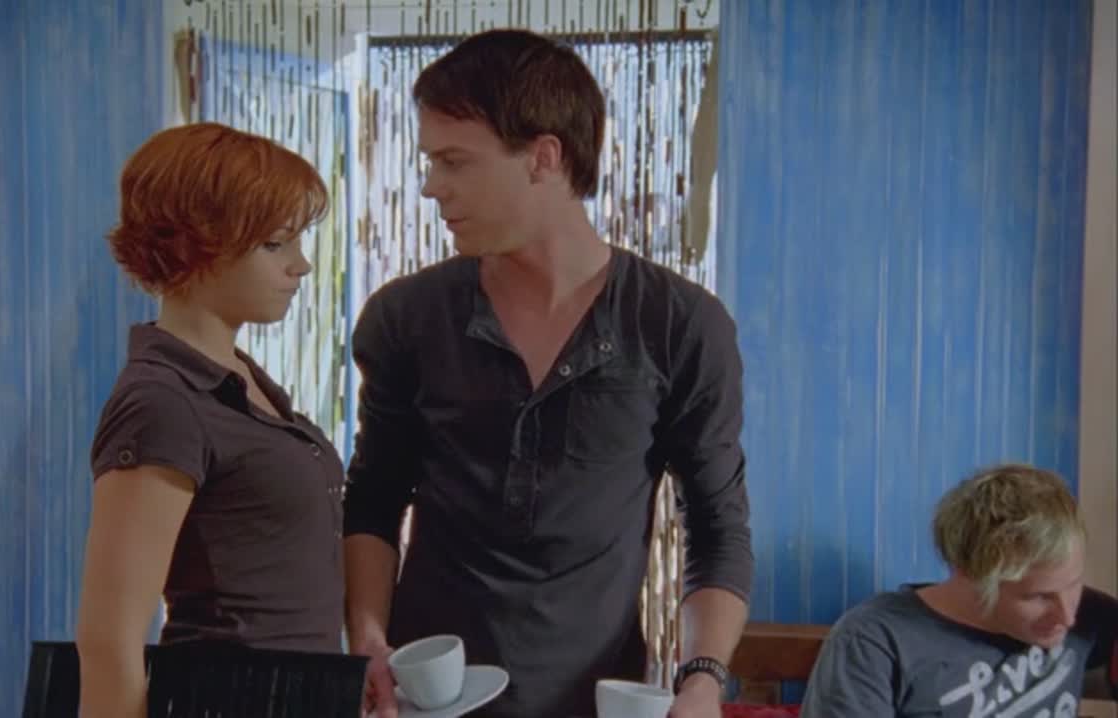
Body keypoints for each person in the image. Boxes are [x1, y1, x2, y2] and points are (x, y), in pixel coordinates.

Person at [342, 29, 753, 718]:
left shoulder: (679, 324)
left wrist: (703, 678)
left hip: (596, 697)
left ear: (544, 157)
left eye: (454, 161)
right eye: (429, 161)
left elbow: (717, 525)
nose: (430, 186)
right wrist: (367, 638)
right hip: (425, 700)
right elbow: (374, 499)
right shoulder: (406, 317)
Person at [74, 122, 347, 718]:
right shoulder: (162, 401)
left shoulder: (240, 380)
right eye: (275, 244)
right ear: (196, 244)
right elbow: (109, 639)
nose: (301, 265)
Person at [801, 463, 1118, 717]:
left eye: (1074, 584)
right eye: (1038, 597)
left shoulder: (1091, 616)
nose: (1068, 616)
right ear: (972, 577)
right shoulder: (874, 640)